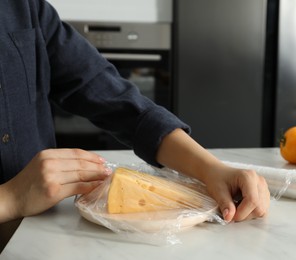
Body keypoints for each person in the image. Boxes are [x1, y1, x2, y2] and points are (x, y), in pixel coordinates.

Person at [0, 0, 270, 224]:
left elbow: (111, 95)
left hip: (37, 232)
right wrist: (10, 198)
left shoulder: (24, 6)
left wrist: (210, 169)